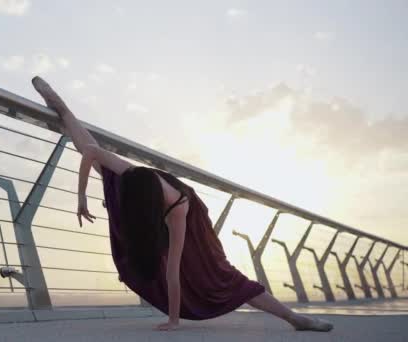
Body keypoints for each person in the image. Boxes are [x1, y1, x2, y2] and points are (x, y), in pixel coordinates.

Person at [31, 76, 333, 332]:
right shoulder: (134, 176)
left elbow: (173, 271)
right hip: (147, 198)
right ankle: (61, 107)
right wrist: (81, 197)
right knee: (88, 148)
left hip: (193, 228)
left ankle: (295, 318)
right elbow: (91, 152)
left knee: (225, 279)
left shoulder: (178, 212)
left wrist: (174, 320)